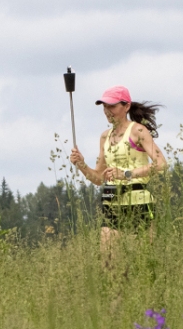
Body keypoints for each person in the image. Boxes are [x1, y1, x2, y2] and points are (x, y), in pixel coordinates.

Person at [69, 85, 167, 253]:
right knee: (108, 264)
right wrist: (82, 165)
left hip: (139, 202)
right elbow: (99, 179)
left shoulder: (138, 130)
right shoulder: (104, 137)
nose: (107, 111)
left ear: (126, 106)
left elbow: (161, 164)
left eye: (112, 106)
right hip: (111, 201)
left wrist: (126, 174)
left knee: (140, 263)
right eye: (105, 106)